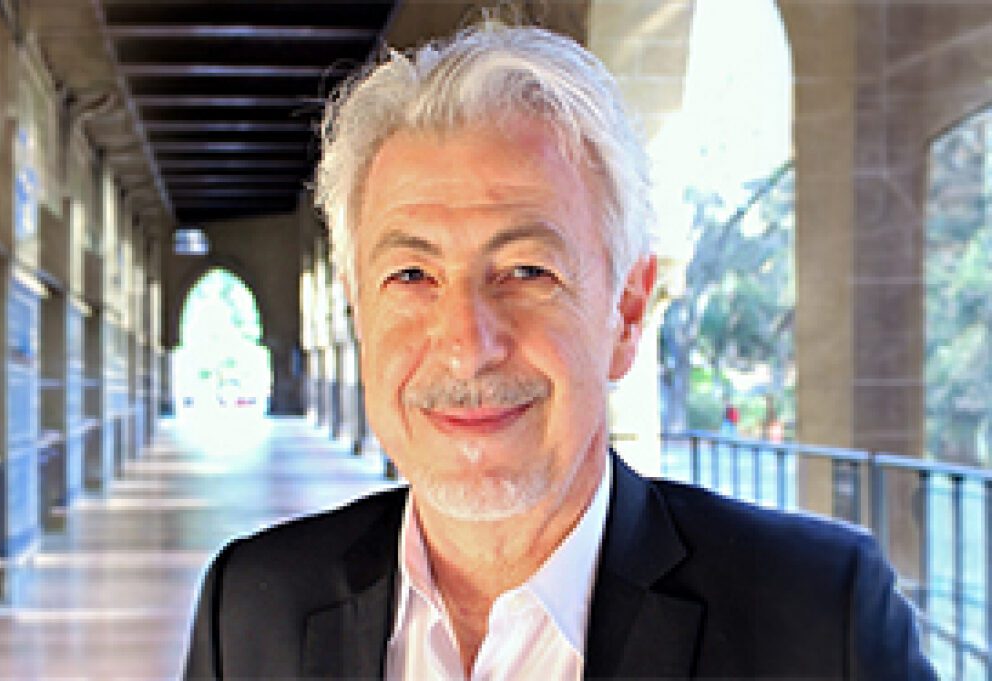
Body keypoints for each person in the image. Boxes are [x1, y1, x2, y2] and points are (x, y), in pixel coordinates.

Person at [183, 21, 935, 680]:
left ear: (627, 313)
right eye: (411, 275)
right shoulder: (250, 609)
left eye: (526, 271)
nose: (467, 347)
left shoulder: (817, 618)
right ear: (357, 307)